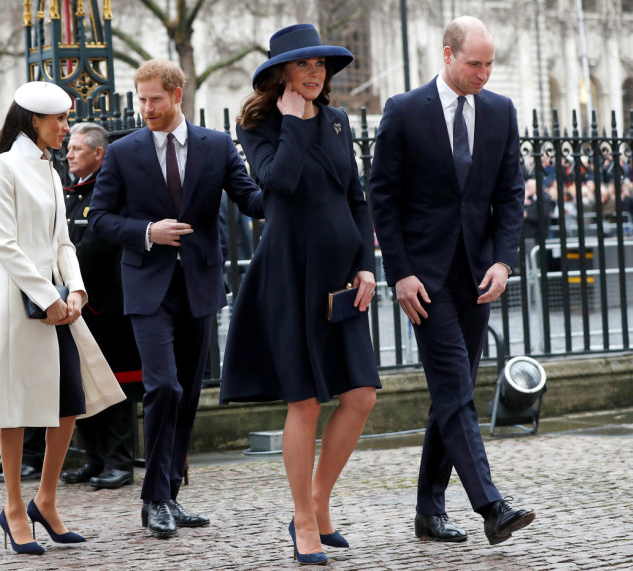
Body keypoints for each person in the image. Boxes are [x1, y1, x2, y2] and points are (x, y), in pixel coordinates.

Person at [369, 16, 535, 546]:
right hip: (425, 277)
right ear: (447, 55)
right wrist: (399, 274)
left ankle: (428, 511)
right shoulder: (402, 112)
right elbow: (383, 200)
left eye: (490, 64)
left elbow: (510, 195)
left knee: (451, 391)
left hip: (478, 275)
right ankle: (491, 505)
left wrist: (504, 262)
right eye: (474, 63)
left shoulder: (501, 112)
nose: (484, 73)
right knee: (455, 387)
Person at [219, 24, 380, 565]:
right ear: (281, 73)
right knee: (306, 402)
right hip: (290, 276)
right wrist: (291, 123)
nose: (314, 75)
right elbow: (276, 184)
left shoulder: (338, 122)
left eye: (320, 67)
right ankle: (306, 522)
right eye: (303, 66)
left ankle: (316, 499)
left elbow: (357, 199)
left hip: (342, 276)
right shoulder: (259, 124)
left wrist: (366, 265)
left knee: (360, 396)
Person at [89, 59, 264, 538]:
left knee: (186, 396)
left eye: (154, 100)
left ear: (177, 94)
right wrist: (148, 231)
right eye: (141, 99)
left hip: (200, 287)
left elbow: (252, 200)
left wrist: (291, 177)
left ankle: (169, 495)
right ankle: (155, 498)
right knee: (163, 386)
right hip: (147, 289)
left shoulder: (217, 145)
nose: (146, 108)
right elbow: (100, 218)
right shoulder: (124, 152)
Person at [0, 81, 125, 555]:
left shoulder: (52, 172)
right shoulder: (1, 168)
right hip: (16, 302)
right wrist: (47, 295)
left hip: (56, 298)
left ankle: (46, 501)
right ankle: (14, 507)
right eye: (59, 120)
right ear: (35, 120)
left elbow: (62, 243)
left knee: (69, 403)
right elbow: (5, 246)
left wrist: (75, 290)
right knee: (15, 410)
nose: (65, 128)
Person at [59, 122, 140, 490]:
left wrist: (66, 274)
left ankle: (120, 461)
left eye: (76, 148)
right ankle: (94, 457)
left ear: (98, 153)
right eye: (69, 147)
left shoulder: (109, 189)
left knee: (115, 382)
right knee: (81, 383)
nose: (69, 153)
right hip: (76, 302)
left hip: (106, 303)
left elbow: (95, 244)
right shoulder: (72, 192)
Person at [0, 129, 47, 483]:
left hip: (23, 290)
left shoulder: (23, 174)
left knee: (27, 382)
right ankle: (8, 457)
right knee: (2, 384)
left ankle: (29, 457)